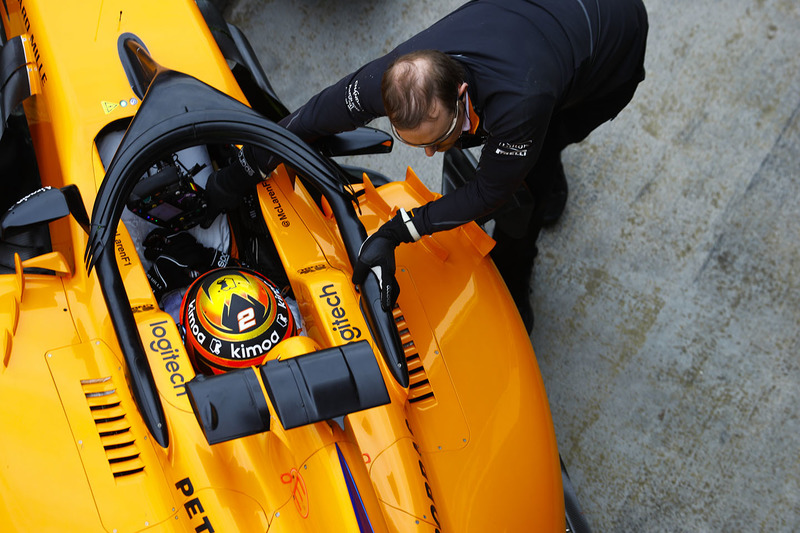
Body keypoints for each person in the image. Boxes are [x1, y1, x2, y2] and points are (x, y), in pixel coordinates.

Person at [208, 0, 648, 332]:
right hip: (530, 25)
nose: (431, 155)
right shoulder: (400, 78)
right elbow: (315, 115)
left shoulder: (520, 105)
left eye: (438, 140)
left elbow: (487, 193)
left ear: (460, 93)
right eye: (415, 143)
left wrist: (399, 230)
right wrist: (243, 170)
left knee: (526, 183)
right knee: (525, 155)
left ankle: (520, 261)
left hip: (611, 41)